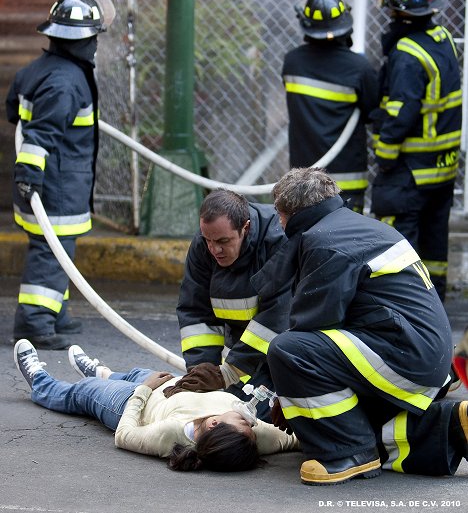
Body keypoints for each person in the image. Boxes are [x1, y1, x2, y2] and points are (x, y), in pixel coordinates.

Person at [256, 167, 465, 485]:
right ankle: (452, 425)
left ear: (289, 214)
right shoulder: (351, 226)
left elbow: (310, 325)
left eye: (280, 215)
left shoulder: (324, 240)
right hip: (419, 354)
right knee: (346, 417)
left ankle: (349, 453)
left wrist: (284, 390)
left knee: (289, 350)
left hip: (406, 355)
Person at [6, 0, 115, 350]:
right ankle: (35, 323)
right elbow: (41, 133)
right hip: (56, 185)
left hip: (50, 184)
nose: (96, 44)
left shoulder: (38, 70)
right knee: (51, 253)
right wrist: (30, 176)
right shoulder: (66, 82)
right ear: (84, 40)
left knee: (58, 252)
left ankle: (56, 312)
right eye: (94, 37)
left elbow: (14, 111)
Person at [13, 339, 299, 472]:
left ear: (214, 425)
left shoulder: (172, 435)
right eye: (250, 424)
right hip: (170, 385)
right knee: (136, 371)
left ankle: (41, 381)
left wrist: (142, 392)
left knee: (83, 393)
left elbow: (125, 436)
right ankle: (103, 373)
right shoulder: (252, 439)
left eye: (244, 423)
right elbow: (296, 439)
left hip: (131, 403)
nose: (252, 420)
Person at [371, 0, 462, 302]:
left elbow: (400, 112)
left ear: (397, 14)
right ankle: (434, 308)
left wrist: (384, 155)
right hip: (443, 167)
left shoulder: (407, 53)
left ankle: (403, 309)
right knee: (434, 244)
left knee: (396, 244)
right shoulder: (443, 38)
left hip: (410, 171)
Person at [164, 189, 291, 419]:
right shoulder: (204, 244)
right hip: (240, 356)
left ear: (246, 227)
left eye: (223, 241)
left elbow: (277, 316)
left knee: (248, 417)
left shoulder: (277, 241)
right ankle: (106, 383)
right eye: (208, 241)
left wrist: (228, 373)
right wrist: (201, 370)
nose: (214, 250)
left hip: (281, 355)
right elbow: (196, 311)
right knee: (210, 406)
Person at [282, 0, 379, 213]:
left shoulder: (292, 62)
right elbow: (372, 110)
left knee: (307, 241)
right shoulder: (359, 68)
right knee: (348, 242)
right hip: (347, 181)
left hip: (304, 180)